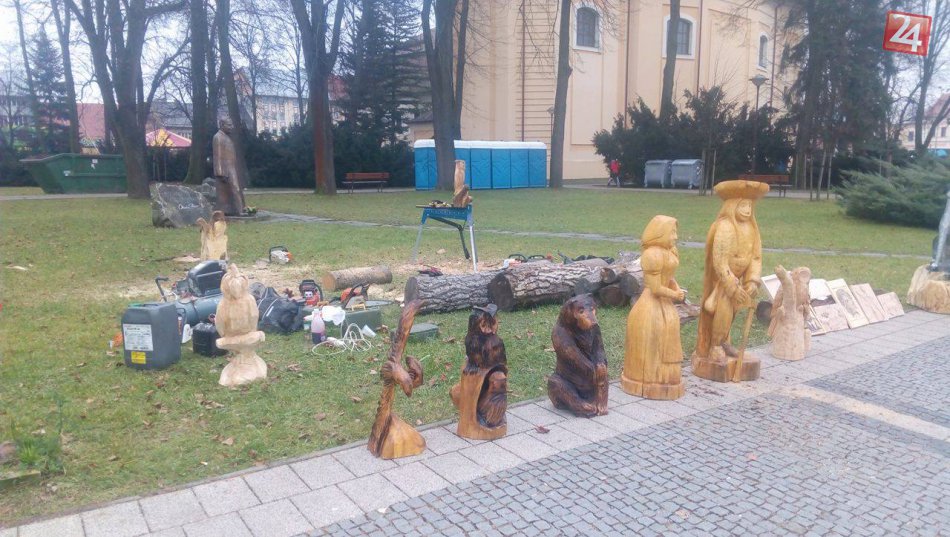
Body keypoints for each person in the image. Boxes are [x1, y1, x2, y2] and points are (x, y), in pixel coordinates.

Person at [694, 180, 768, 372]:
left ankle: (725, 341)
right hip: (725, 282)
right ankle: (715, 345)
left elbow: (756, 257)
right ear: (732, 206)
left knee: (733, 312)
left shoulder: (752, 229)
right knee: (723, 310)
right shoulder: (726, 227)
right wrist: (730, 284)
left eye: (750, 206)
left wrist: (752, 280)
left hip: (741, 280)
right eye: (743, 206)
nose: (747, 210)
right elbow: (719, 260)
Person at [621, 215, 686, 400]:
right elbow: (655, 288)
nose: (675, 237)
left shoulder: (671, 251)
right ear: (660, 233)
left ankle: (666, 376)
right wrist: (675, 295)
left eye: (675, 232)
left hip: (665, 303)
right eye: (672, 232)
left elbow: (669, 277)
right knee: (653, 336)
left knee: (668, 332)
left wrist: (676, 288)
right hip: (650, 306)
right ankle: (648, 377)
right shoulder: (652, 255)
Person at [212, 119, 247, 216]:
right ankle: (239, 211)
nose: (231, 127)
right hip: (226, 169)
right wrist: (220, 172)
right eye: (229, 125)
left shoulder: (226, 137)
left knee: (234, 189)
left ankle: (235, 209)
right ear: (222, 125)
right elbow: (217, 155)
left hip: (231, 167)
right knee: (235, 189)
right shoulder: (218, 137)